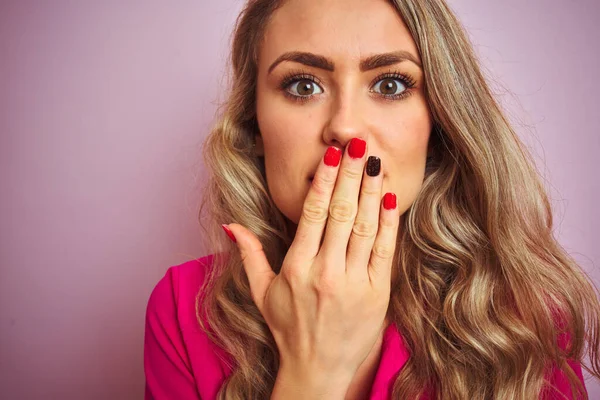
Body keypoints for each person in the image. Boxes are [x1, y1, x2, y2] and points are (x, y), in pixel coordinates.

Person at [144, 0, 600, 399]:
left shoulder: (523, 314)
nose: (345, 127)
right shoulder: (188, 310)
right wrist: (314, 374)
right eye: (303, 85)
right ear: (253, 124)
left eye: (390, 85)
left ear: (438, 124)